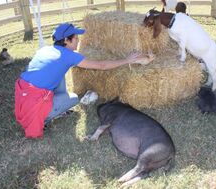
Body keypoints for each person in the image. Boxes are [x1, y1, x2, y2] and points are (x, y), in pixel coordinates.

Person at [15, 22, 154, 139]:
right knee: (74, 99)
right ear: (66, 40)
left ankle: (52, 105)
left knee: (60, 73)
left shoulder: (45, 49)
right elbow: (102, 66)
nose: (78, 40)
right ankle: (46, 117)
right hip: (34, 103)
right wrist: (127, 60)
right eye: (75, 38)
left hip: (23, 95)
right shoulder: (69, 56)